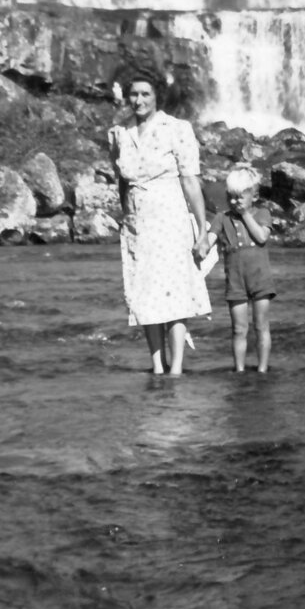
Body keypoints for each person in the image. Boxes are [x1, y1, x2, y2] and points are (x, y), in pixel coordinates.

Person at [108, 54, 211, 375]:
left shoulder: (177, 129)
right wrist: (126, 218)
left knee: (174, 293)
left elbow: (191, 182)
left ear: (156, 97)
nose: (138, 100)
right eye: (134, 94)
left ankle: (176, 368)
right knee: (144, 295)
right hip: (138, 226)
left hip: (171, 221)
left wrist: (203, 231)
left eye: (145, 94)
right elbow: (121, 182)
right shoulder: (118, 134)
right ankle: (157, 365)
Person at [203, 165, 276, 373]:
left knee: (261, 326)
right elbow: (209, 241)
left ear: (254, 195)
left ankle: (262, 370)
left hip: (260, 279)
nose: (234, 202)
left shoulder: (262, 213)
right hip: (236, 282)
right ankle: (240, 370)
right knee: (238, 329)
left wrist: (245, 215)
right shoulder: (221, 218)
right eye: (231, 197)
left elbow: (261, 237)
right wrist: (201, 245)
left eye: (239, 197)